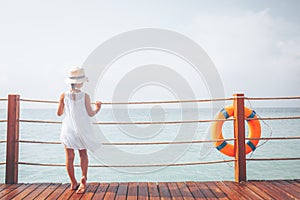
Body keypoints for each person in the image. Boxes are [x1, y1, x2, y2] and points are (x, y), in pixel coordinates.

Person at [57, 67, 102, 194]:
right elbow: (91, 113)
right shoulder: (85, 96)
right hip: (82, 130)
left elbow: (59, 113)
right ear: (81, 82)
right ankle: (83, 178)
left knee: (69, 157)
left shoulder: (63, 95)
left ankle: (73, 182)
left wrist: (65, 107)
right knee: (83, 155)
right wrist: (98, 107)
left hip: (68, 130)